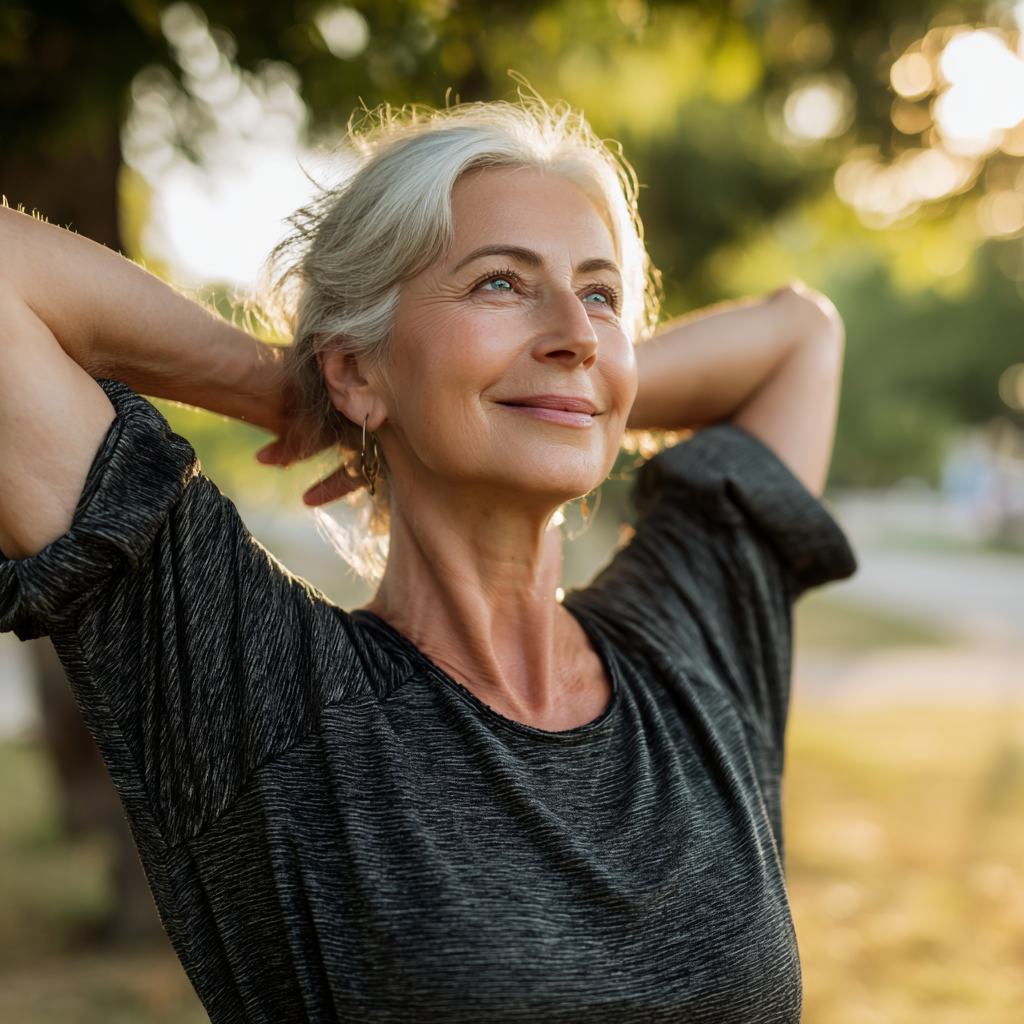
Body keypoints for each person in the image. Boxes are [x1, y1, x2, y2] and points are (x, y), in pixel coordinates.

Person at [0, 99, 855, 1023]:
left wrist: (581, 382)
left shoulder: (692, 645)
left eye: (600, 294)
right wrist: (283, 386)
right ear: (357, 370)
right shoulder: (264, 696)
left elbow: (802, 337)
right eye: (501, 282)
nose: (575, 328)